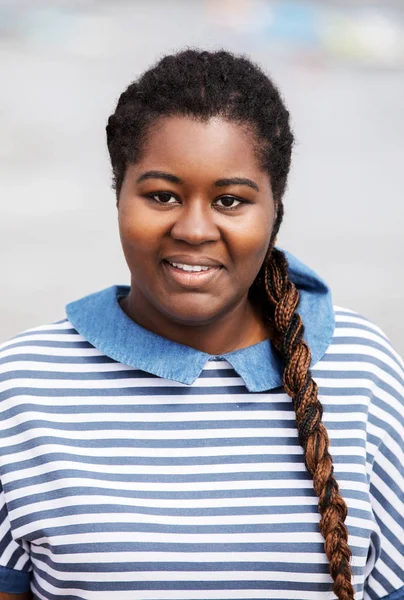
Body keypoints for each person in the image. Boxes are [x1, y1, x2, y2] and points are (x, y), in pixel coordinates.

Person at [0, 49, 403, 600]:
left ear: (275, 210)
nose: (193, 228)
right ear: (118, 196)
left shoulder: (364, 367)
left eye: (230, 200)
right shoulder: (20, 386)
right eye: (161, 195)